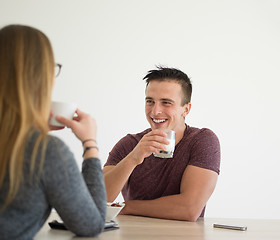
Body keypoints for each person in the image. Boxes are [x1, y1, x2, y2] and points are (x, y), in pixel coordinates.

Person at [0, 24, 106, 239]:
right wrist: (90, 144)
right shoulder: (46, 151)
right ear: (41, 76)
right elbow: (91, 224)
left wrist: (28, 129)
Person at [103, 66, 220, 221]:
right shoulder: (129, 144)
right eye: (150, 101)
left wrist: (127, 207)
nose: (155, 111)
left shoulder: (202, 140)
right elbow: (98, 199)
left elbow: (189, 209)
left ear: (186, 109)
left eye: (166, 102)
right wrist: (133, 158)